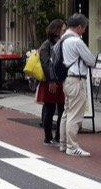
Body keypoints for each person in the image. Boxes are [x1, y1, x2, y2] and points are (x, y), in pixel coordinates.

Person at [56, 14, 96, 158]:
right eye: (84, 27)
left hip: (66, 80)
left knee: (67, 112)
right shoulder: (76, 41)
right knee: (74, 115)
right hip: (76, 80)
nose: (84, 30)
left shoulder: (63, 39)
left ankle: (63, 143)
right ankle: (72, 146)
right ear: (79, 27)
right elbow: (91, 60)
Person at [36, 19, 67, 146]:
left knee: (62, 109)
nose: (65, 32)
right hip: (51, 81)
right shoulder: (46, 45)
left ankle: (59, 137)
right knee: (49, 109)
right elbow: (46, 64)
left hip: (61, 80)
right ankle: (48, 137)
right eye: (63, 30)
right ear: (56, 30)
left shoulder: (63, 43)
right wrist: (52, 80)